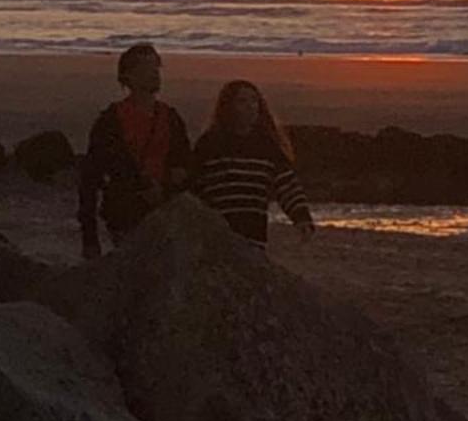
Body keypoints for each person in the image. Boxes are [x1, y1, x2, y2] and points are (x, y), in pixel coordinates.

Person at [78, 42, 192, 259]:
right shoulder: (110, 121)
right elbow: (90, 179)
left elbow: (185, 165)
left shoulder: (170, 117)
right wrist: (89, 237)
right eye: (146, 69)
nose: (154, 74)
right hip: (125, 211)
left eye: (156, 68)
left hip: (164, 208)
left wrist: (168, 186)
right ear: (128, 76)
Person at [190, 79, 315, 247]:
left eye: (254, 100)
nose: (250, 106)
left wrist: (301, 218)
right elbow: (194, 187)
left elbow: (287, 185)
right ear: (228, 106)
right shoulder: (210, 144)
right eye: (242, 101)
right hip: (217, 237)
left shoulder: (267, 146)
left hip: (254, 237)